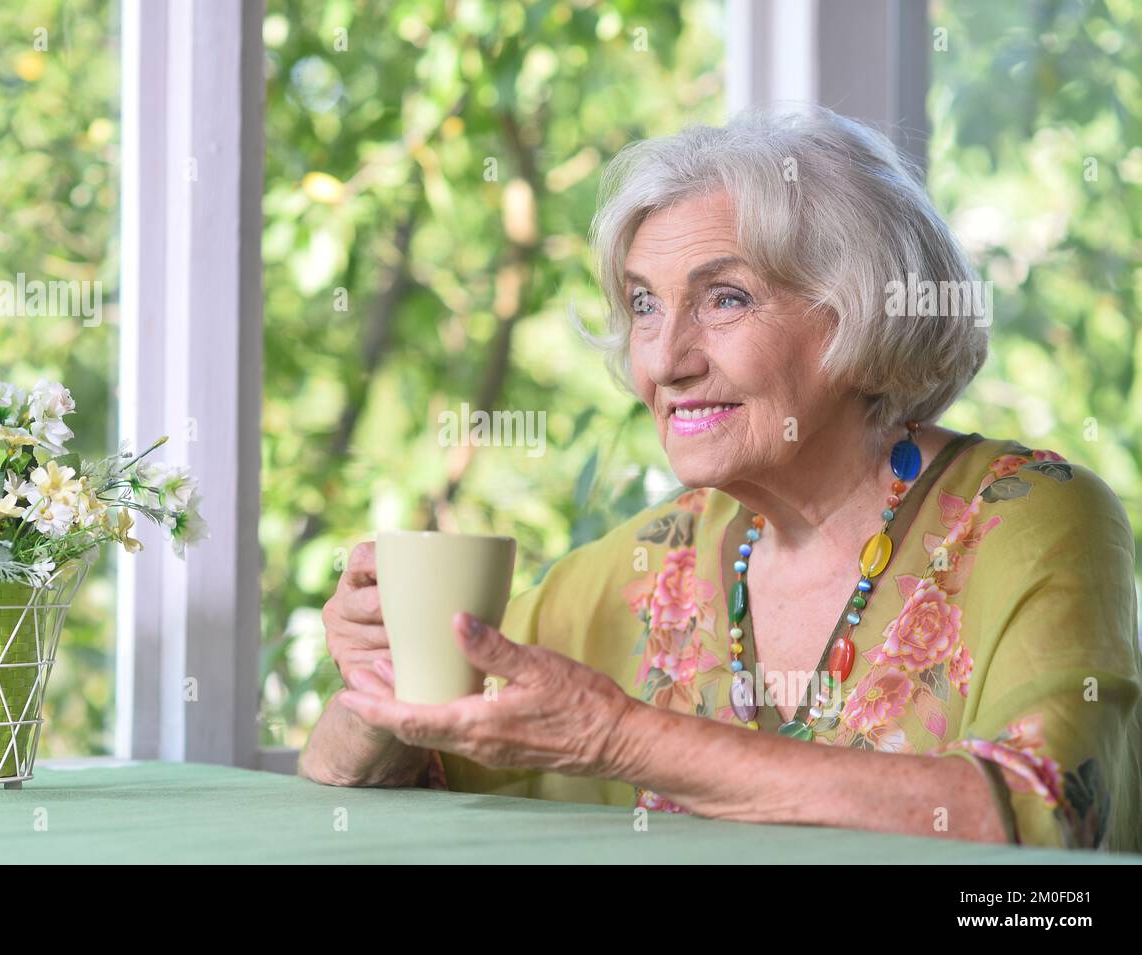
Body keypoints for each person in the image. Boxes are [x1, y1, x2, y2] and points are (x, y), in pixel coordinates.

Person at [299, 106, 1142, 852]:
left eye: (725, 299)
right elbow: (354, 767)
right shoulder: (656, 557)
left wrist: (620, 736)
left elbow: (1049, 817)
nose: (664, 360)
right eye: (643, 305)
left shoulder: (1031, 515)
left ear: (864, 311)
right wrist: (384, 682)